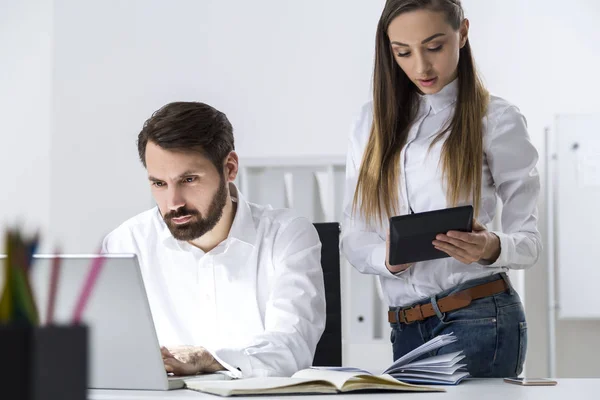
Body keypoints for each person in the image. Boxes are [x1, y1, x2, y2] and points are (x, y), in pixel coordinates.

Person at [342, 0, 541, 377]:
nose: (421, 66)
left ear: (462, 33)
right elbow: (352, 237)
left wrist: (490, 246)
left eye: (435, 47)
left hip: (479, 318)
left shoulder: (496, 119)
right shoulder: (368, 123)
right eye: (403, 52)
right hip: (405, 326)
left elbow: (529, 242)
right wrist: (386, 260)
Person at [102, 101, 326, 378]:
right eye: (159, 183)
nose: (173, 203)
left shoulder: (287, 235)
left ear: (230, 168)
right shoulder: (126, 244)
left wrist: (209, 359)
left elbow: (291, 346)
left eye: (189, 179)